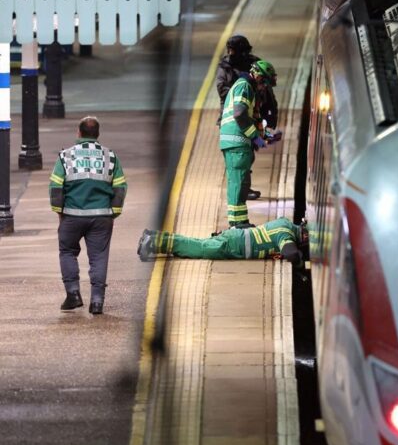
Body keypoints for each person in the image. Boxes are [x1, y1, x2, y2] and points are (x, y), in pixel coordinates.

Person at [49, 116, 127, 315]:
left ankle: (73, 295)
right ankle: (97, 302)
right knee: (99, 257)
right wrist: (113, 213)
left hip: (71, 215)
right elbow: (120, 187)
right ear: (97, 134)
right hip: (102, 216)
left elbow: (56, 186)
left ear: (79, 132)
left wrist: (59, 212)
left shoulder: (66, 156)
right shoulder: (111, 157)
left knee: (67, 251)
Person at [216, 35, 280, 201]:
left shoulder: (255, 66)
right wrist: (255, 136)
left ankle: (244, 189)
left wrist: (269, 119)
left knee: (247, 156)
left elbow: (267, 94)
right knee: (242, 159)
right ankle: (243, 190)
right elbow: (229, 98)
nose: (231, 53)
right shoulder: (234, 75)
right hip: (235, 122)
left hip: (249, 116)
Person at [219, 60, 278, 227]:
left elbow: (252, 117)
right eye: (265, 83)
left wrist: (265, 135)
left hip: (236, 142)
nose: (265, 87)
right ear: (258, 77)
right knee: (239, 182)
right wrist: (254, 136)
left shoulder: (247, 88)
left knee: (240, 182)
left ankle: (239, 221)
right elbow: (239, 114)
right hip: (236, 141)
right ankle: (238, 224)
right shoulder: (244, 86)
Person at [137, 217, 307, 267]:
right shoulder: (286, 234)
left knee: (197, 243)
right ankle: (153, 243)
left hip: (235, 236)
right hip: (234, 246)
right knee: (198, 249)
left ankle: (155, 236)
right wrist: (300, 258)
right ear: (304, 236)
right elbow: (290, 253)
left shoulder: (285, 223)